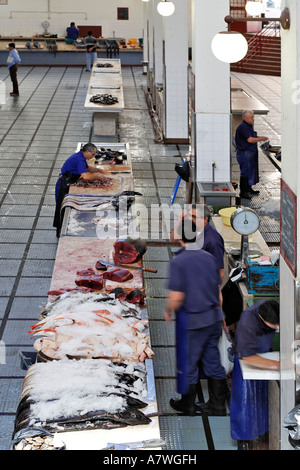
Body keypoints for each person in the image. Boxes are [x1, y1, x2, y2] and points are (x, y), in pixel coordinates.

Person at [164, 217, 228, 416]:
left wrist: (168, 310)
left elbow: (176, 296)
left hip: (193, 322)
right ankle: (217, 405)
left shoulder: (179, 261)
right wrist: (221, 316)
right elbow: (218, 291)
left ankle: (188, 405)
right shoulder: (208, 257)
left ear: (179, 236)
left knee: (189, 362)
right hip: (213, 318)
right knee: (212, 360)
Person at [230, 299, 280, 450]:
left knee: (261, 402)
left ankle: (262, 435)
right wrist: (278, 365)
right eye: (275, 326)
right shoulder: (248, 322)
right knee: (245, 402)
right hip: (247, 361)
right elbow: (247, 357)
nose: (278, 328)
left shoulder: (273, 307)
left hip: (266, 355)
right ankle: (244, 440)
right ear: (262, 319)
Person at [53, 143, 106, 236]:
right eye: (93, 154)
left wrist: (98, 170)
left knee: (64, 208)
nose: (93, 157)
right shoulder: (79, 159)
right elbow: (85, 177)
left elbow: (87, 168)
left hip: (69, 181)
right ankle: (61, 233)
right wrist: (97, 176)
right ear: (86, 151)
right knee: (62, 208)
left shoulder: (80, 156)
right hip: (64, 184)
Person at [171, 204, 225, 280]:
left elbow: (220, 271)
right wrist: (180, 221)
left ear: (205, 219)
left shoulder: (213, 240)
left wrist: (213, 289)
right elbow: (174, 239)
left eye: (193, 217)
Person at [235, 110, 269, 199]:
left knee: (250, 172)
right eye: (251, 117)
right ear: (245, 117)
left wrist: (261, 137)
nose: (253, 119)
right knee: (245, 173)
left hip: (249, 153)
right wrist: (260, 139)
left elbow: (252, 137)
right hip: (244, 153)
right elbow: (250, 139)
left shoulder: (248, 125)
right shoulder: (243, 127)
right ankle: (243, 192)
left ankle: (248, 189)